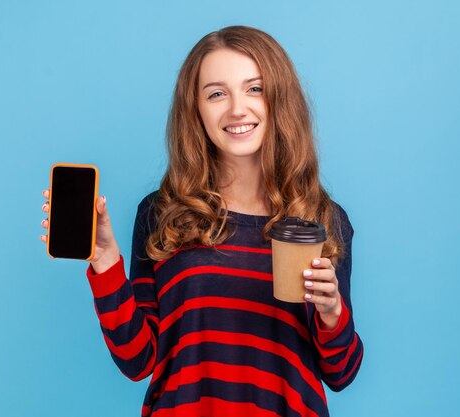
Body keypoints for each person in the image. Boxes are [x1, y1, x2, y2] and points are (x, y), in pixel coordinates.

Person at [40, 25, 363, 417]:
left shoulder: (322, 218)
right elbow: (137, 360)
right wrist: (105, 261)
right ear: (196, 110)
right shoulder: (163, 213)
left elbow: (341, 372)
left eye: (254, 88)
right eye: (216, 94)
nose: (237, 109)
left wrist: (332, 314)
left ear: (281, 99)